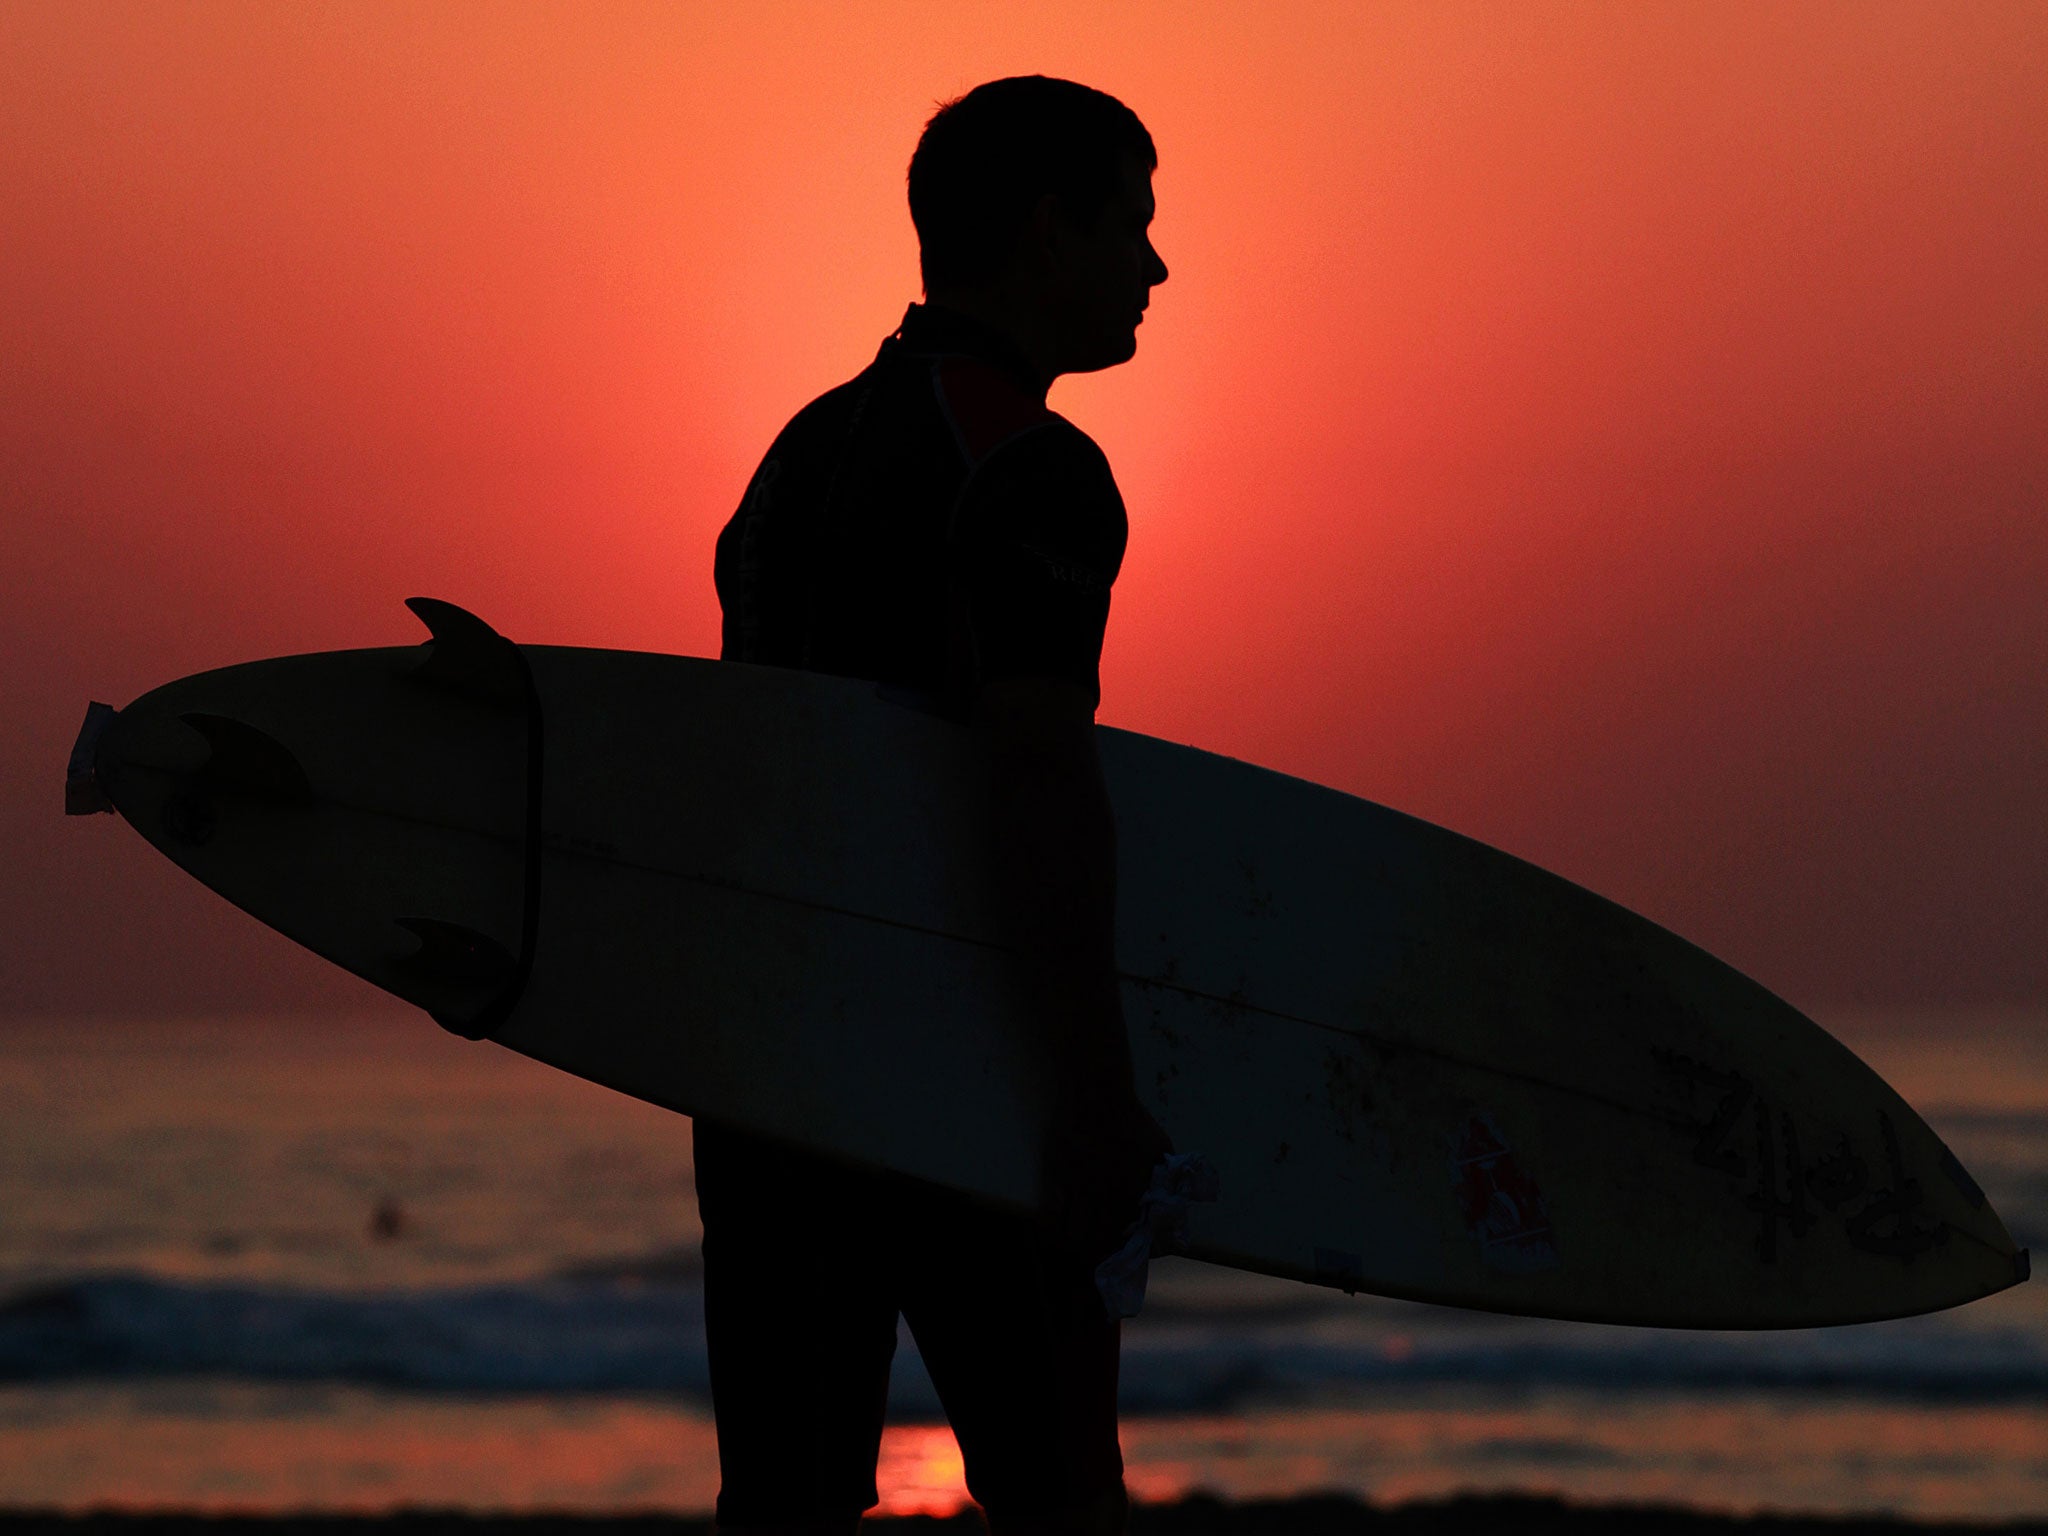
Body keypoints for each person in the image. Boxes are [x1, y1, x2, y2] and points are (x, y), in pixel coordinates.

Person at [699, 75, 1171, 1535]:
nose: (1155, 268)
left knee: (784, 1506)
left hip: (769, 1075)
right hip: (957, 1077)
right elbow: (1034, 784)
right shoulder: (1032, 468)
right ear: (1049, 231)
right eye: (1135, 225)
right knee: (1060, 1495)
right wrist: (1093, 1104)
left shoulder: (795, 458)